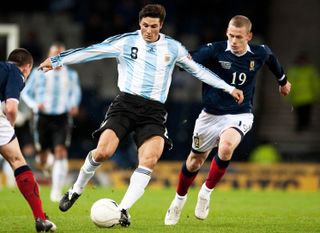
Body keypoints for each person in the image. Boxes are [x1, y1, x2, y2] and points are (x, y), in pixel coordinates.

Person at [38, 4, 244, 227]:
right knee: (103, 152)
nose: (148, 30)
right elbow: (91, 52)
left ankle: (123, 209)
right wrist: (58, 60)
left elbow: (198, 70)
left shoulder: (173, 48)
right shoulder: (126, 41)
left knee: (149, 160)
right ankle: (75, 190)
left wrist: (228, 87)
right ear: (139, 23)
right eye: (145, 25)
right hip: (125, 104)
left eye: (153, 26)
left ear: (161, 25)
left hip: (154, 111)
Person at [164, 15, 291, 225]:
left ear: (248, 36)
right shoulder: (214, 50)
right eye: (231, 35)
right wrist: (172, 61)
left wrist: (283, 81)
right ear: (227, 33)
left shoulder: (259, 53)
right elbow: (189, 60)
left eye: (239, 37)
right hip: (210, 115)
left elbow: (272, 60)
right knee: (194, 161)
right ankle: (178, 201)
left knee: (226, 147)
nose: (233, 41)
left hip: (240, 114)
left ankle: (205, 193)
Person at [0, 48, 56, 232]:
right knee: (18, 161)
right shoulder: (15, 72)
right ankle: (40, 217)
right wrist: (11, 124)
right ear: (27, 68)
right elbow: (11, 108)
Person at [22, 42, 82, 202]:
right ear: (49, 55)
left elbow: (75, 92)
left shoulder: (71, 75)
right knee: (42, 157)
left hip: (62, 117)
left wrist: (74, 104)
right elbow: (25, 93)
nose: (57, 57)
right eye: (54, 54)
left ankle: (56, 191)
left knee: (61, 151)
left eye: (60, 54)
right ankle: (48, 165)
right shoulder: (38, 72)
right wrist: (35, 105)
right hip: (42, 117)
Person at [286, 52, 320, 132]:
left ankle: (305, 125)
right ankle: (300, 126)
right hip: (297, 97)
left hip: (308, 96)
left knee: (307, 112)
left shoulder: (310, 70)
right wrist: (287, 95)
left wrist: (317, 93)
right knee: (299, 114)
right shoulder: (293, 71)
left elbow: (316, 83)